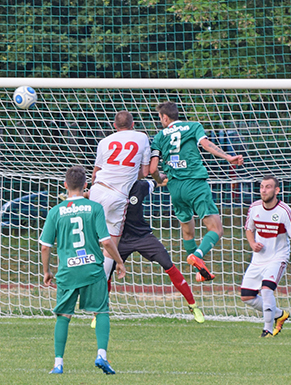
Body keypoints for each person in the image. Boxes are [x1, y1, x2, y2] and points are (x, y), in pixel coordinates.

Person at [39, 166, 126, 375]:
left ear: (65, 186)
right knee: (102, 310)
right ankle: (101, 355)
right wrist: (119, 261)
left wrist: (47, 271)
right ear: (86, 185)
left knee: (63, 315)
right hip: (92, 269)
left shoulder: (55, 211)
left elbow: (45, 246)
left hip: (68, 271)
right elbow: (106, 241)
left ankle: (58, 363)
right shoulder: (94, 208)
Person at [149, 101, 244, 282]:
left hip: (175, 188)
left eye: (160, 117)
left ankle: (200, 271)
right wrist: (228, 157)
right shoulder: (193, 126)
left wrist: (160, 180)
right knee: (216, 229)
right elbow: (206, 144)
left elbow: (153, 168)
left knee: (187, 230)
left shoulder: (159, 137)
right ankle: (198, 255)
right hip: (195, 184)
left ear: (165, 117)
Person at [111, 178, 205, 323]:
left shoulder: (140, 186)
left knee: (168, 264)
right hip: (120, 239)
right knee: (105, 271)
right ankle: (98, 314)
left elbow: (159, 180)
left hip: (143, 236)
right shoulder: (110, 187)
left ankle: (193, 306)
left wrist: (178, 178)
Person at [89, 110, 151, 281]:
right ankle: (99, 287)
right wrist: (129, 174)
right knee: (111, 244)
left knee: (89, 238)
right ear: (133, 125)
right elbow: (145, 172)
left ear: (115, 126)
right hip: (117, 196)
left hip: (97, 190)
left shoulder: (104, 142)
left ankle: (80, 280)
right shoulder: (141, 137)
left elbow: (95, 174)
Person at [240, 175, 291, 337]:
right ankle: (279, 315)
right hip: (258, 259)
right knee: (246, 296)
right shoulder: (254, 207)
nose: (264, 190)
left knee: (266, 290)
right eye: (261, 187)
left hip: (277, 257)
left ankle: (267, 330)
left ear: (276, 190)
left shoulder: (284, 211)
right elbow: (249, 228)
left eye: (268, 187)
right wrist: (252, 243)